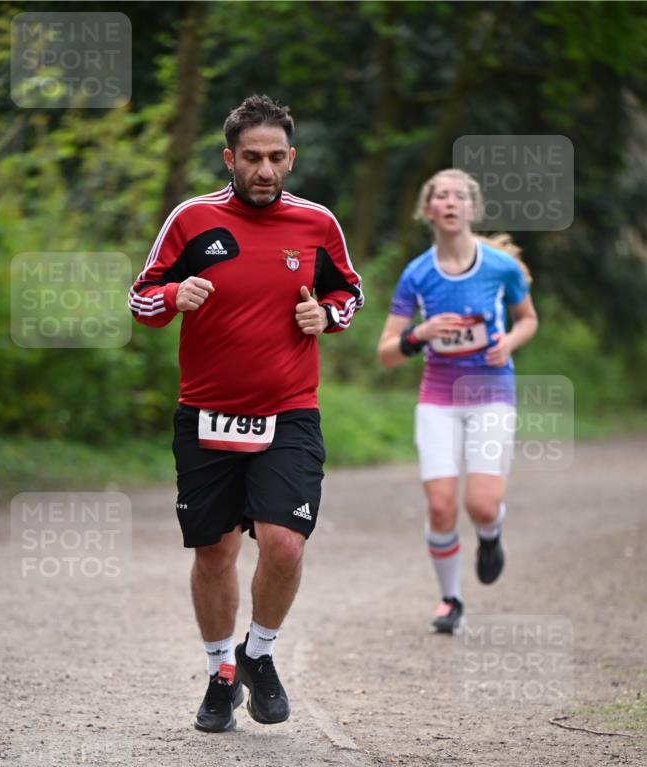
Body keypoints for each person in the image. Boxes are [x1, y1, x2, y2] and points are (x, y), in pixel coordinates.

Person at [129, 95, 363, 730]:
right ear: (230, 158)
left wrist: (328, 316)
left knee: (285, 545)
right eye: (252, 158)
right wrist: (176, 294)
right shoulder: (191, 218)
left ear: (292, 158)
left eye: (276, 157)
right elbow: (140, 298)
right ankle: (219, 675)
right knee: (213, 552)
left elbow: (349, 290)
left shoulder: (316, 223)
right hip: (205, 413)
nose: (265, 169)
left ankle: (258, 655)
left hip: (289, 411)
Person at [377, 168, 538, 634]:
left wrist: (509, 341)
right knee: (442, 506)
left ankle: (490, 536)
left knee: (482, 506)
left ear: (472, 209)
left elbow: (528, 319)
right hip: (438, 398)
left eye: (459, 196)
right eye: (441, 196)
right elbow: (386, 353)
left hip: (492, 395)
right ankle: (450, 598)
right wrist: (419, 334)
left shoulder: (499, 267)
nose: (450, 202)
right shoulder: (417, 274)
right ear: (428, 210)